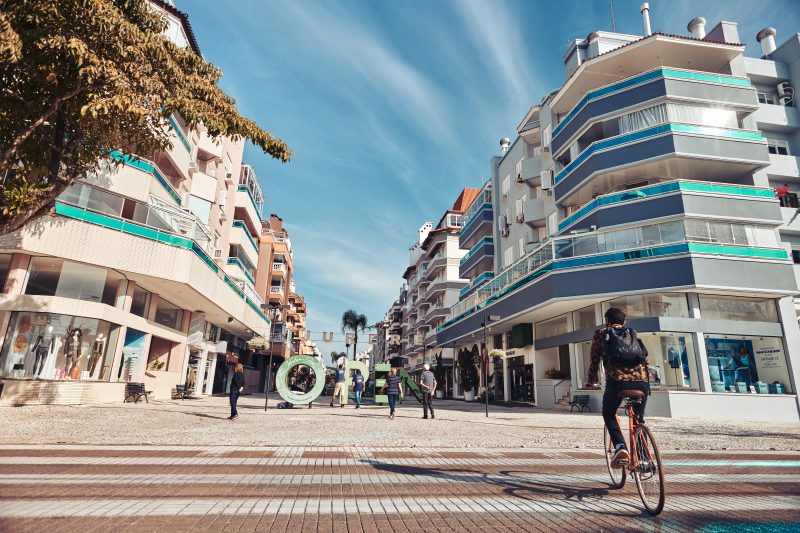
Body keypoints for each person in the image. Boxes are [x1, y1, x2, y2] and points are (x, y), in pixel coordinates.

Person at [587, 307, 649, 468]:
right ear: (624, 321)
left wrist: (590, 380)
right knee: (638, 420)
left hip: (617, 382)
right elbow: (644, 356)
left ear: (607, 320)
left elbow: (595, 360)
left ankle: (620, 447)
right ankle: (644, 460)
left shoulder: (601, 333)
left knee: (608, 414)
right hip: (641, 382)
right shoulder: (633, 333)